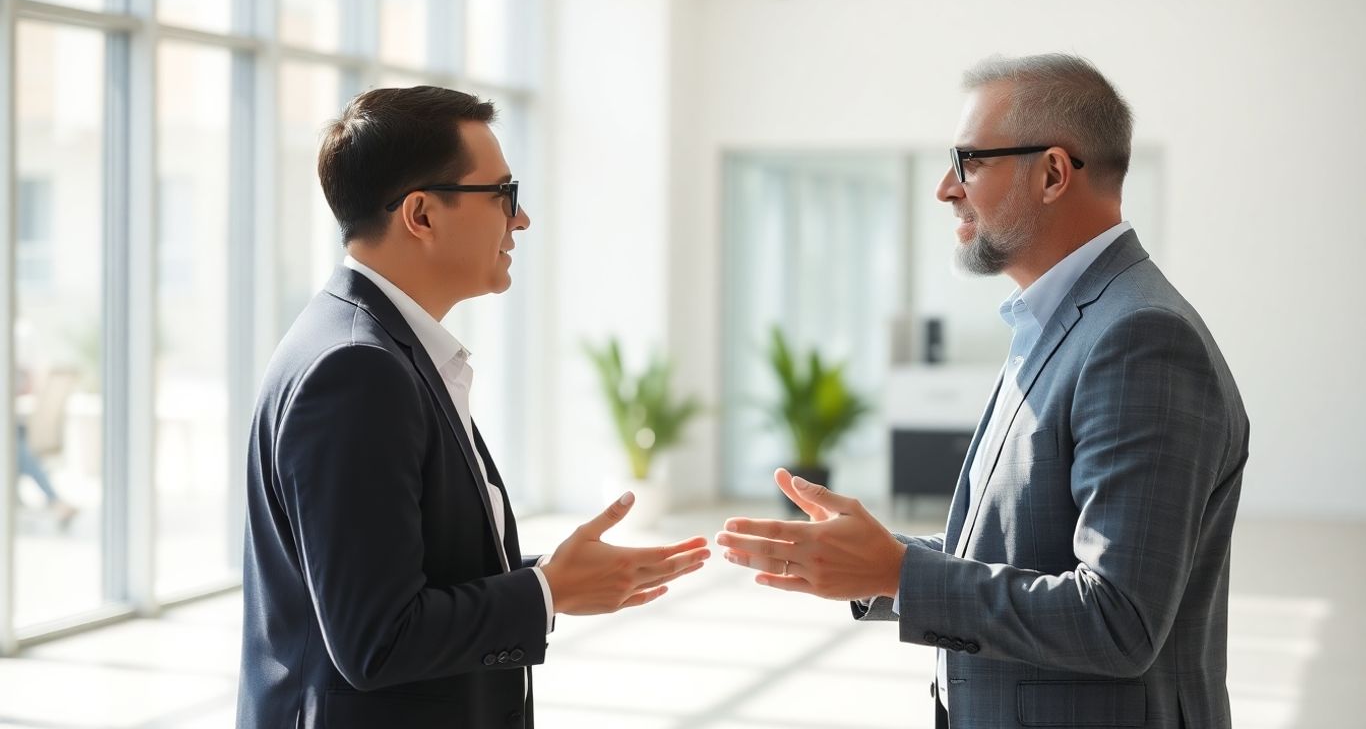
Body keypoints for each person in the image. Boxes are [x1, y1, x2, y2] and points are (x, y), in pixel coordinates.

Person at [717, 54, 1248, 729]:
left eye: (968, 161)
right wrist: (877, 559)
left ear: (1053, 173)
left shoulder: (1140, 337)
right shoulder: (1058, 319)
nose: (946, 188)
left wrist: (898, 572)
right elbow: (1025, 548)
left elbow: (1119, 620)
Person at [236, 86, 711, 728]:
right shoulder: (356, 370)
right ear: (422, 215)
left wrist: (551, 578)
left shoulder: (374, 347)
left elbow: (398, 575)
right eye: (504, 194)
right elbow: (377, 639)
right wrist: (548, 592)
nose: (522, 219)